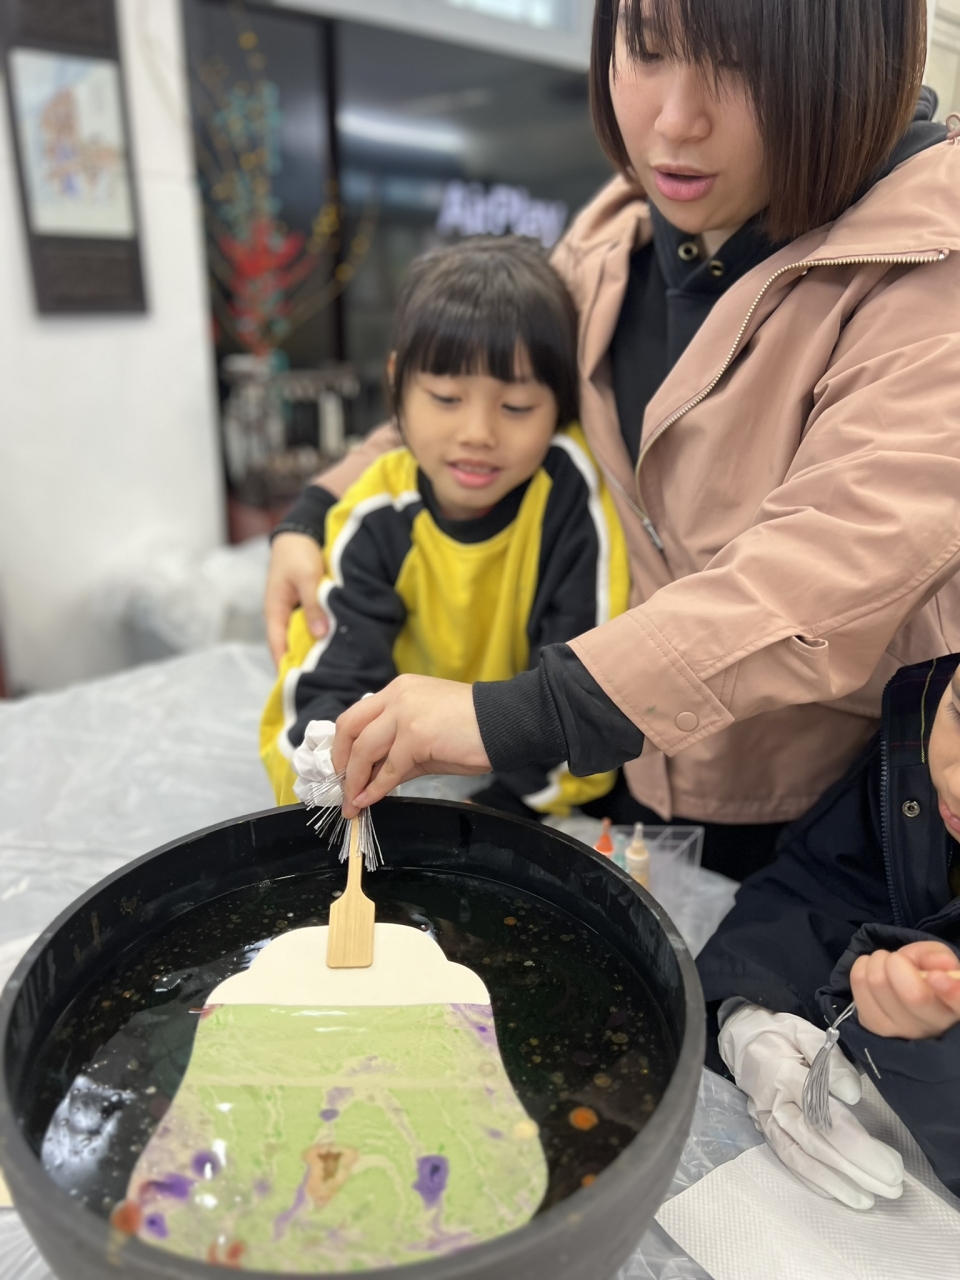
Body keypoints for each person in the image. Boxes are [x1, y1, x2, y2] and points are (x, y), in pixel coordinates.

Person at [267, 0, 960, 879]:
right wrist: (313, 510)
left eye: (739, 68)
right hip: (614, 776)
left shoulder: (928, 268)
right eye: (648, 49)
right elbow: (476, 390)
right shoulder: (613, 234)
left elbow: (822, 572)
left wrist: (511, 716)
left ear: (848, 65)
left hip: (826, 811)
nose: (674, 122)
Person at [260, 237, 628, 818]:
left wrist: (496, 812)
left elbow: (588, 688)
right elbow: (325, 682)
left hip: (524, 796)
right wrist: (325, 778)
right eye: (446, 397)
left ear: (560, 406)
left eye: (516, 407)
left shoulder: (571, 500)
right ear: (397, 386)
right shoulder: (373, 510)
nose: (477, 433)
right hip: (395, 781)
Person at [696, 655, 960, 1206]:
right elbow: (823, 882)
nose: (956, 784)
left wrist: (941, 1061)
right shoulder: (916, 731)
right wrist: (750, 1011)